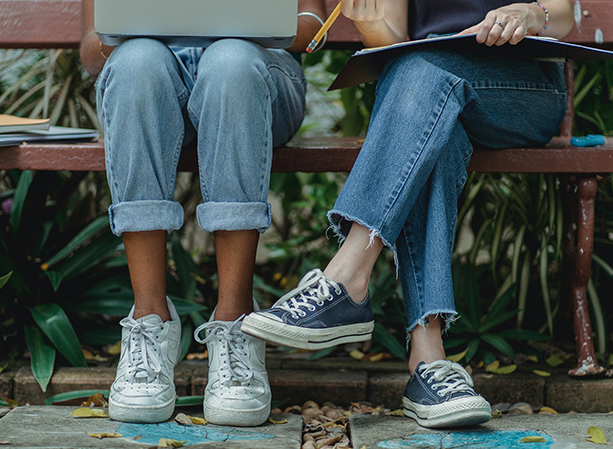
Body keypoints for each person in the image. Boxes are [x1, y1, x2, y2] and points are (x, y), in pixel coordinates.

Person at [242, 0, 574, 428]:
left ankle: (347, 279)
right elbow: (390, 41)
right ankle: (428, 365)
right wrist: (372, 22)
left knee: (420, 71)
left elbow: (564, 14)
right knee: (433, 114)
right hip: (429, 94)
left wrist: (530, 15)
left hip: (521, 88)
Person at [80, 0, 326, 426]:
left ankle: (237, 324)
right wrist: (130, 31)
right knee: (136, 62)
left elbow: (312, 25)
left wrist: (251, 25)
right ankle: (148, 322)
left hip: (257, 78)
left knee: (229, 60)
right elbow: (90, 50)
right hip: (155, 80)